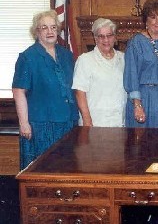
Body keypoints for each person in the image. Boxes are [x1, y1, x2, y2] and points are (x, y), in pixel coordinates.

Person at [12, 10, 78, 169]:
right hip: (41, 126)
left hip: (68, 122)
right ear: (37, 31)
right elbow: (18, 91)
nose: (50, 31)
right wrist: (24, 123)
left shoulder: (67, 55)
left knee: (66, 168)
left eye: (53, 27)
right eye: (44, 28)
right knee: (43, 170)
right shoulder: (28, 57)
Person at [123, 0, 158, 128]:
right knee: (142, 144)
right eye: (153, 17)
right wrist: (137, 105)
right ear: (146, 20)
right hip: (144, 98)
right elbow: (131, 75)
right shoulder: (136, 42)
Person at [72, 18, 126, 127]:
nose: (106, 40)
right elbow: (79, 93)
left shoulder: (123, 58)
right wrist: (87, 121)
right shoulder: (85, 60)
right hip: (95, 122)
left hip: (119, 122)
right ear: (95, 38)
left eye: (109, 35)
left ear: (115, 37)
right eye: (101, 36)